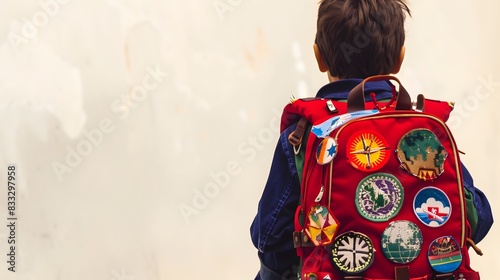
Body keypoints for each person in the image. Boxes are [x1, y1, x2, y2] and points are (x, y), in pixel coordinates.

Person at [250, 0, 493, 279]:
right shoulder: (426, 130)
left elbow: (268, 235)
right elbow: (479, 220)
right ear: (399, 59)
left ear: (319, 57)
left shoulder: (308, 133)